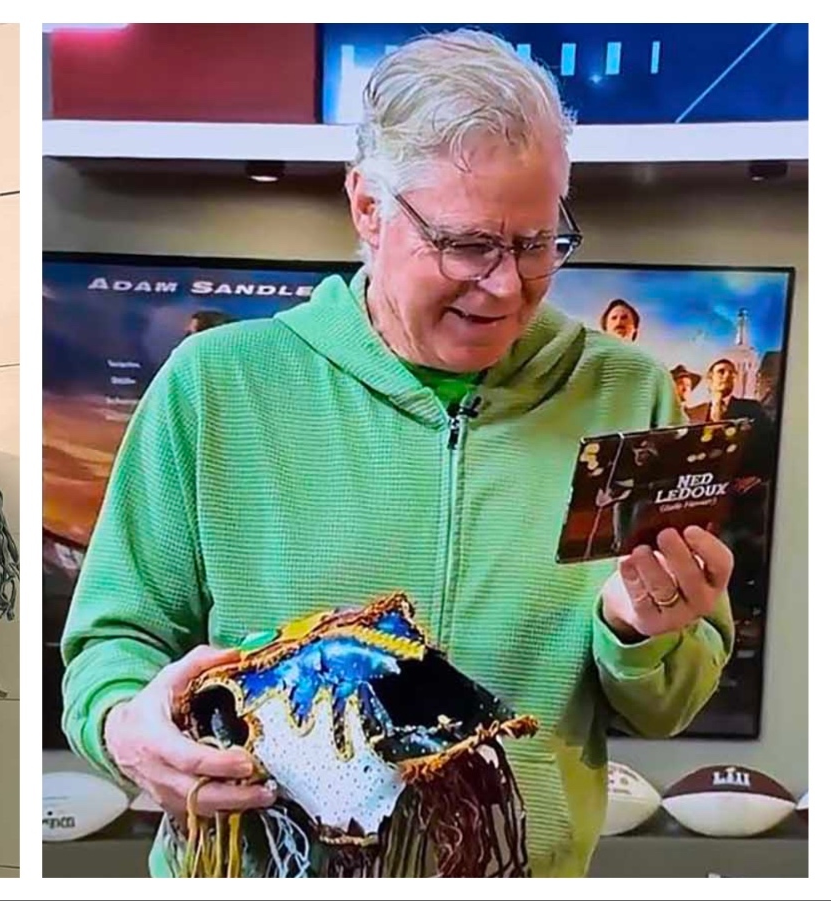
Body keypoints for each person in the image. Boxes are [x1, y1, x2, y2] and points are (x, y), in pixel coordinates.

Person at [62, 30, 734, 878]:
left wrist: (637, 633)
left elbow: (670, 702)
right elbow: (110, 647)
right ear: (367, 208)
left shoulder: (628, 396)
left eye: (535, 244)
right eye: (468, 244)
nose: (505, 285)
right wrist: (127, 724)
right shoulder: (217, 385)